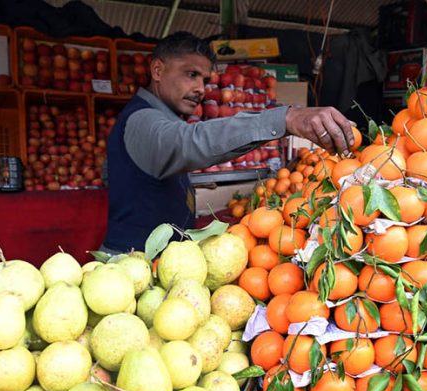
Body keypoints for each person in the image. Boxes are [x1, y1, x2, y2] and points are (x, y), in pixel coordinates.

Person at [101, 32, 356, 254]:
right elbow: (190, 143)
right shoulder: (142, 120)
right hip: (131, 268)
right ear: (157, 70)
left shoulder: (157, 118)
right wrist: (285, 118)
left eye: (205, 80)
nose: (201, 89)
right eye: (191, 74)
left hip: (158, 263)